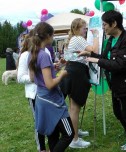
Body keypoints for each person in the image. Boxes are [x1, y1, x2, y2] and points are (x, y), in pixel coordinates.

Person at [78, 10, 126, 152]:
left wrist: (97, 60)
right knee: (118, 113)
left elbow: (120, 65)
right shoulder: (110, 40)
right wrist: (90, 54)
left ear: (114, 24)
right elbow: (104, 57)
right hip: (115, 84)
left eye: (104, 24)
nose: (103, 27)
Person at [28, 22, 74, 151]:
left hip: (41, 99)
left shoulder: (33, 53)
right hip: (52, 101)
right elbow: (49, 84)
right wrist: (61, 74)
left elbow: (33, 78)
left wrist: (53, 67)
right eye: (53, 35)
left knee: (53, 134)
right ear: (48, 36)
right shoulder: (43, 55)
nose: (53, 38)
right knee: (68, 134)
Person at [61, 18, 99, 148]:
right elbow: (95, 50)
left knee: (73, 107)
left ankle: (74, 132)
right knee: (75, 108)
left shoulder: (73, 39)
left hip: (73, 72)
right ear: (77, 28)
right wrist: (96, 36)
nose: (86, 30)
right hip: (77, 73)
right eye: (84, 28)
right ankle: (74, 140)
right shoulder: (78, 38)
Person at [17, 33, 47, 152]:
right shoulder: (25, 55)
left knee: (48, 119)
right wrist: (34, 78)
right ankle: (41, 148)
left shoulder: (45, 52)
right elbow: (20, 78)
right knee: (39, 122)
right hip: (34, 94)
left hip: (47, 92)